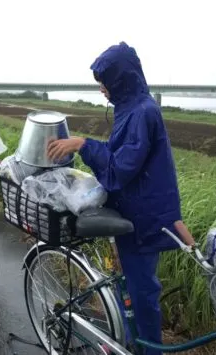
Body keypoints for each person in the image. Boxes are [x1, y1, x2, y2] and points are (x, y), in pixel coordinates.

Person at [48, 41, 184, 354]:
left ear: (120, 80)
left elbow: (121, 168)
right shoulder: (131, 108)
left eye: (104, 83)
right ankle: (132, 340)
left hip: (144, 217)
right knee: (132, 286)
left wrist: (83, 145)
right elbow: (117, 157)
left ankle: (148, 349)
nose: (102, 90)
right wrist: (85, 146)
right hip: (133, 209)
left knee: (143, 291)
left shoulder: (141, 113)